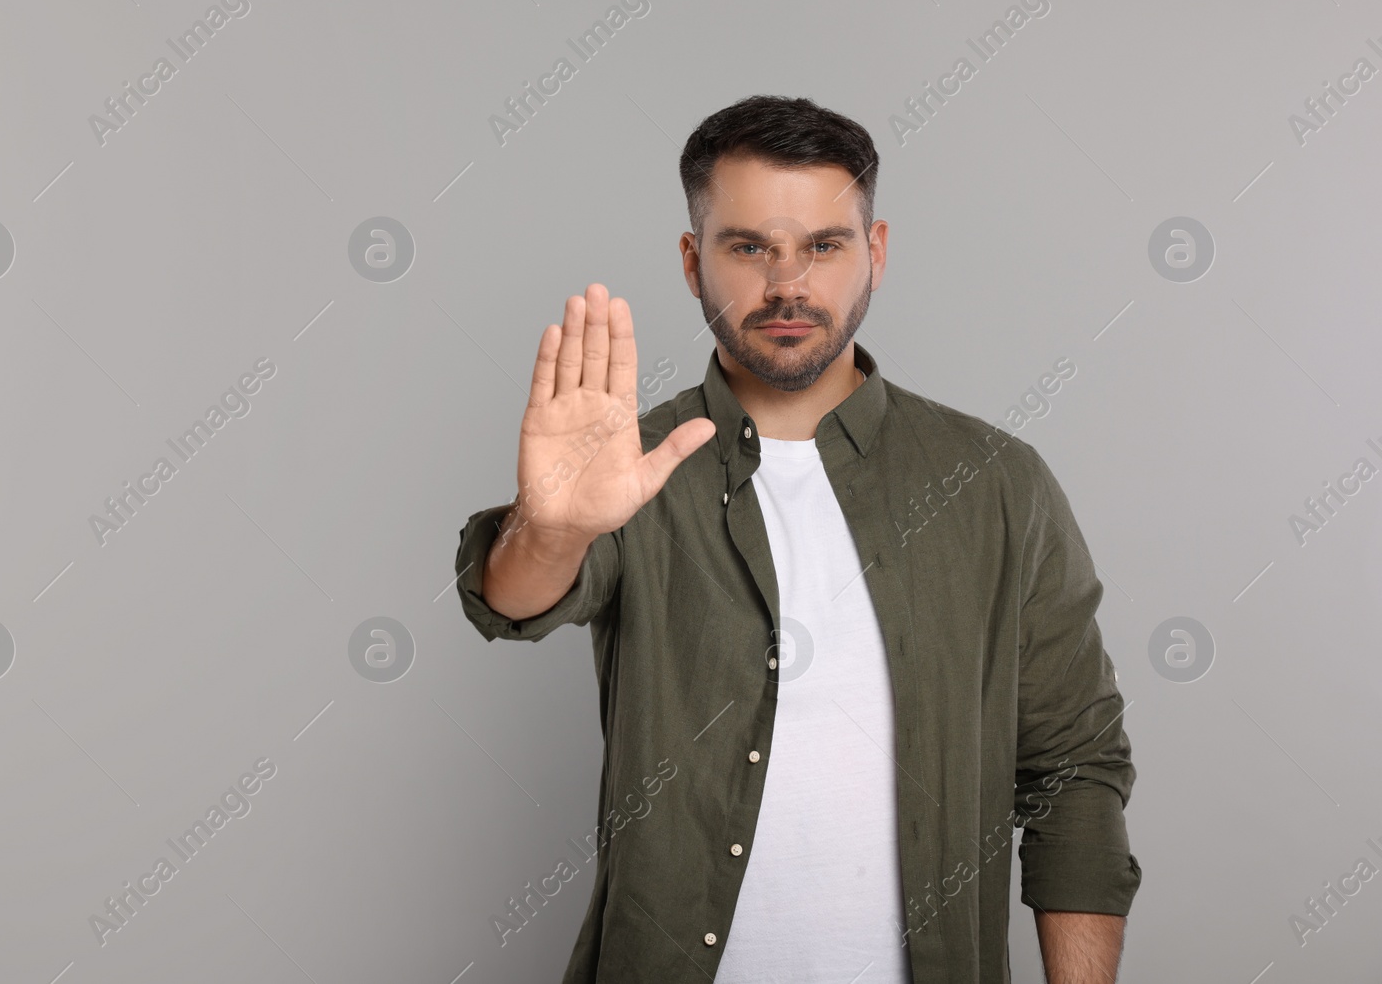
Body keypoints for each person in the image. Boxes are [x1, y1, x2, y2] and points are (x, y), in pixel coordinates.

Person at [452, 94, 1140, 984]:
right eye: (749, 248)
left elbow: (1075, 771)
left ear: (875, 253)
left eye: (823, 245)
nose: (788, 284)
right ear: (694, 260)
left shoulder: (998, 482)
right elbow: (511, 600)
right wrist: (548, 528)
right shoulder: (636, 467)